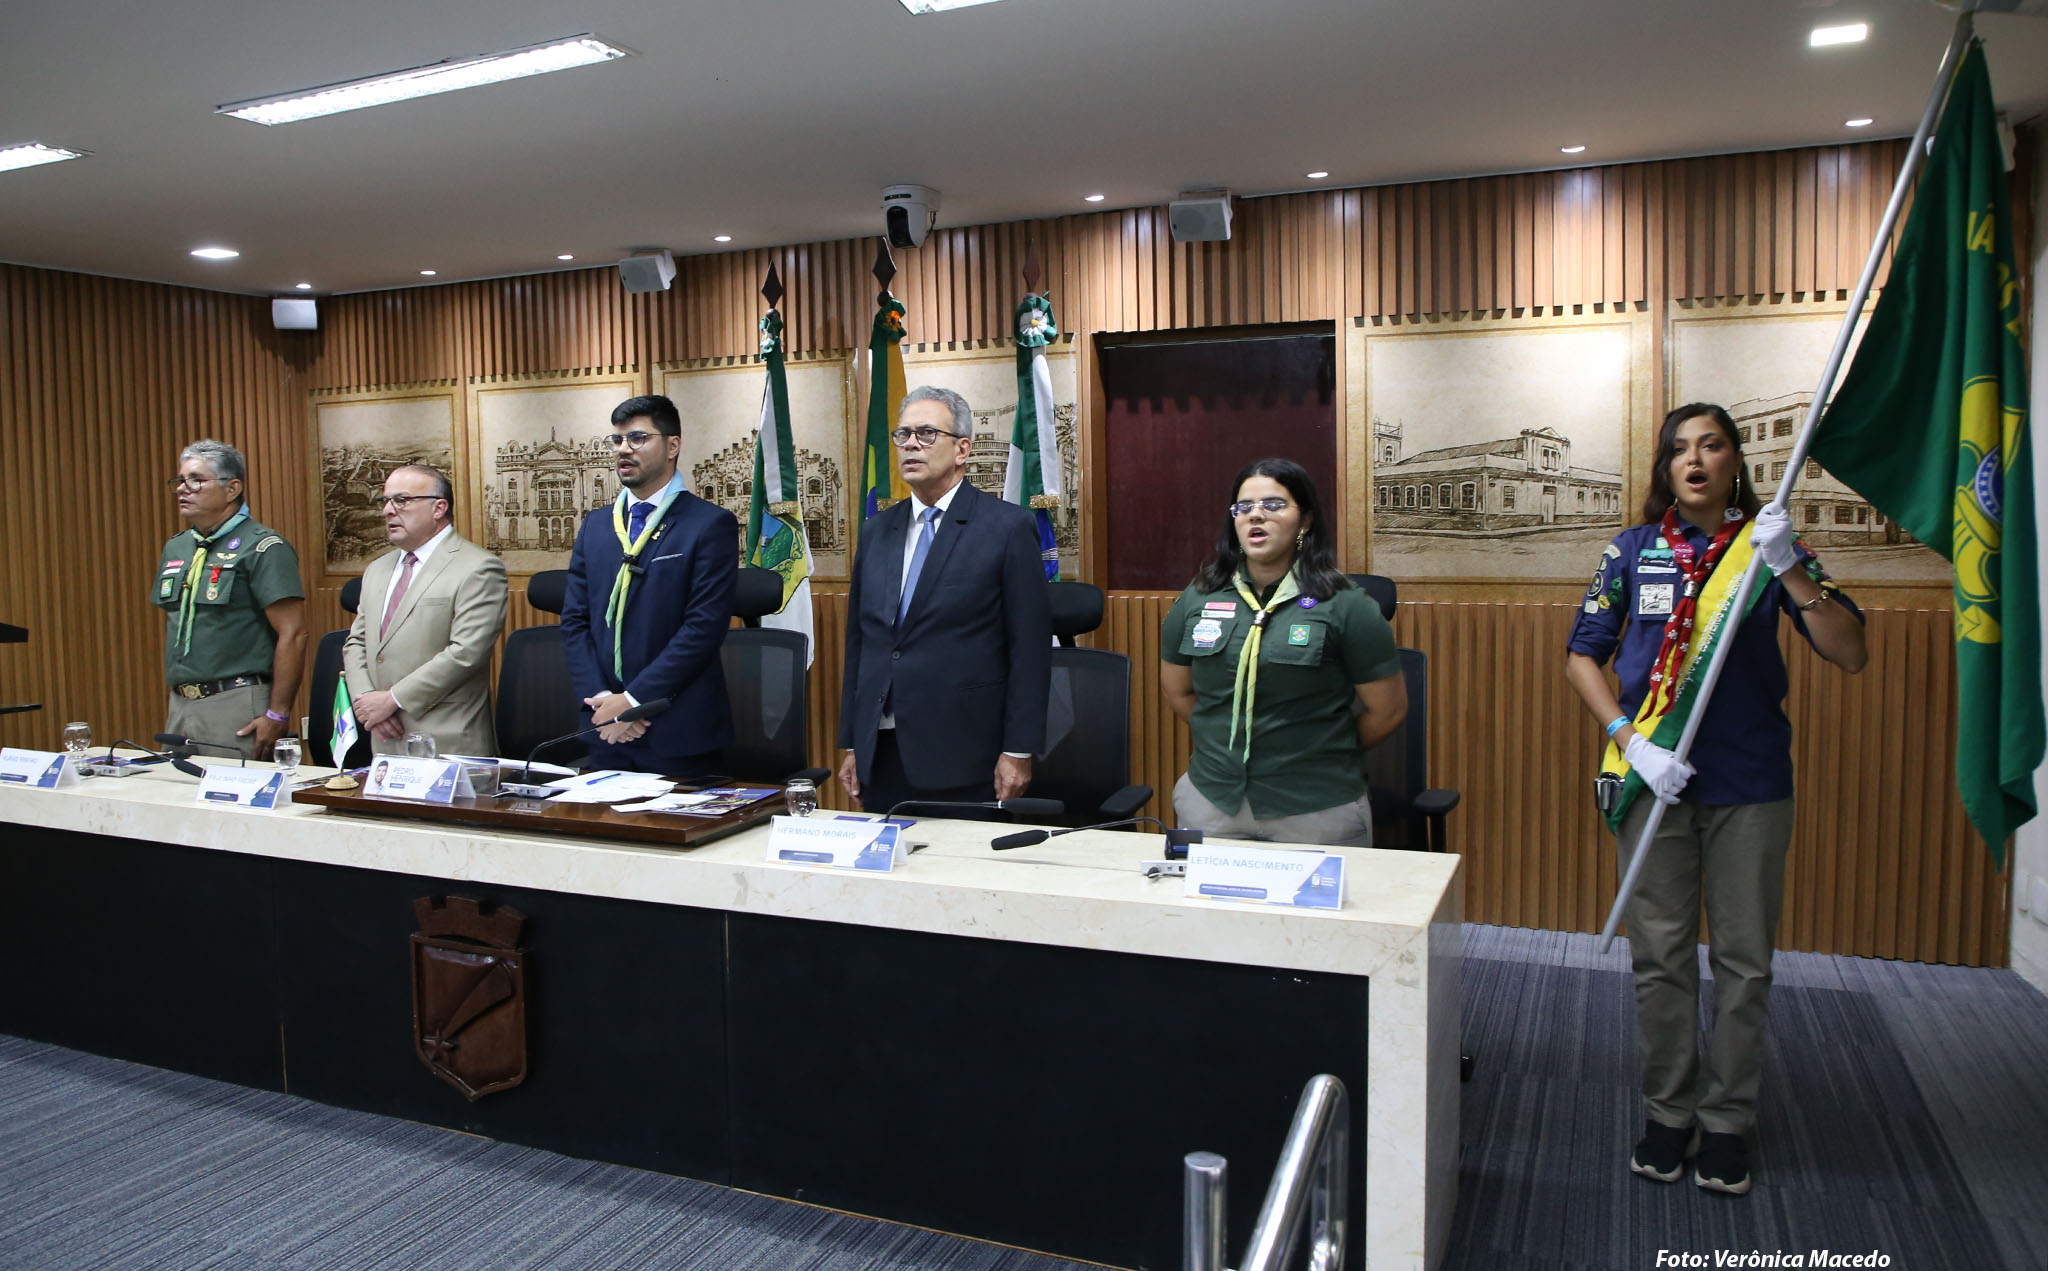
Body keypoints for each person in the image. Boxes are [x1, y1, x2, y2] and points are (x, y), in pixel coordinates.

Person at [1564, 402, 1868, 1197]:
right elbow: (1582, 656)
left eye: (1711, 445)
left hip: (1749, 783)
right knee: (1660, 954)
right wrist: (1631, 739)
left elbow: (1851, 651)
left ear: (1737, 461)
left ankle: (1728, 1117)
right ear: (1665, 467)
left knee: (1743, 958)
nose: (1694, 459)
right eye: (1679, 448)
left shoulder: (1769, 547)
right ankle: (1669, 1110)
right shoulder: (1631, 549)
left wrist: (1789, 566)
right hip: (1653, 780)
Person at [1159, 458, 1405, 847]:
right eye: (1244, 507)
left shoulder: (1346, 604)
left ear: (1304, 520)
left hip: (1315, 807)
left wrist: (1318, 751)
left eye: (1273, 504)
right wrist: (1228, 742)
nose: (1256, 515)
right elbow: (1178, 692)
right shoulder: (1199, 596)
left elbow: (1387, 711)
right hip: (1213, 800)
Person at [837, 386, 1051, 815]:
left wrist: (1019, 749)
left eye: (927, 433)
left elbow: (1029, 650)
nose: (911, 444)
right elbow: (861, 644)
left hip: (966, 752)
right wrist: (852, 742)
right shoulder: (877, 531)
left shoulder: (1006, 528)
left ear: (962, 450)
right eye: (903, 435)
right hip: (882, 749)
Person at [560, 394, 736, 779]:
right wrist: (605, 702)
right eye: (617, 440)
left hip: (677, 731)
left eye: (638, 438)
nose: (624, 449)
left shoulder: (708, 524)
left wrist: (633, 701)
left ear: (673, 446)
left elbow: (702, 628)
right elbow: (574, 621)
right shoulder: (596, 525)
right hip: (604, 728)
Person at [153, 440, 306, 760]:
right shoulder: (178, 547)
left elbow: (293, 634)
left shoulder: (263, 547)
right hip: (181, 702)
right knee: (175, 789)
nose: (182, 488)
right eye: (180, 480)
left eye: (196, 480)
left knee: (234, 789)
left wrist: (277, 714)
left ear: (232, 488)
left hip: (236, 701)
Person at [342, 463, 508, 757]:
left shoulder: (478, 567)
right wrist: (367, 702)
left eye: (401, 500)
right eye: (385, 501)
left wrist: (392, 700)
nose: (388, 511)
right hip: (384, 737)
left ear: (438, 508)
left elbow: (466, 653)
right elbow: (357, 641)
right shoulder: (377, 569)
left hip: (447, 741)